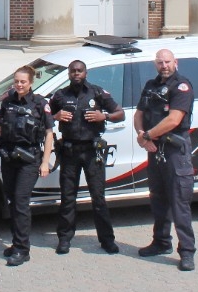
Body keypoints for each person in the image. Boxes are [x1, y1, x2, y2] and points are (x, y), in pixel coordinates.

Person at [49, 60, 124, 255]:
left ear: (85, 73)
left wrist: (104, 117)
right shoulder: (60, 95)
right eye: (73, 71)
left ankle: (107, 240)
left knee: (98, 197)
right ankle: (64, 239)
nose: (76, 74)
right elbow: (45, 115)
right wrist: (56, 116)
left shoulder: (97, 93)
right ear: (68, 73)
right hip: (69, 151)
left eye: (79, 71)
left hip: (92, 152)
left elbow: (120, 113)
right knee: (67, 197)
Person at [133, 48, 197, 271]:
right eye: (160, 62)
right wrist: (142, 135)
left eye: (167, 61)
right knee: (158, 199)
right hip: (155, 149)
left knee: (179, 202)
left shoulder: (182, 86)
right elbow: (139, 114)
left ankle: (187, 252)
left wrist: (148, 135)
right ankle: (161, 242)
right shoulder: (151, 85)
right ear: (155, 64)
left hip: (174, 151)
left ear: (175, 62)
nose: (164, 65)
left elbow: (174, 119)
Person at [0, 65, 54, 267]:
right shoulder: (7, 102)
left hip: (29, 160)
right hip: (9, 158)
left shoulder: (39, 104)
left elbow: (49, 134)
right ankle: (16, 242)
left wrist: (45, 162)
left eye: (23, 81)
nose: (18, 84)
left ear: (31, 83)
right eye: (16, 81)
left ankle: (22, 249)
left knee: (20, 202)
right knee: (11, 201)